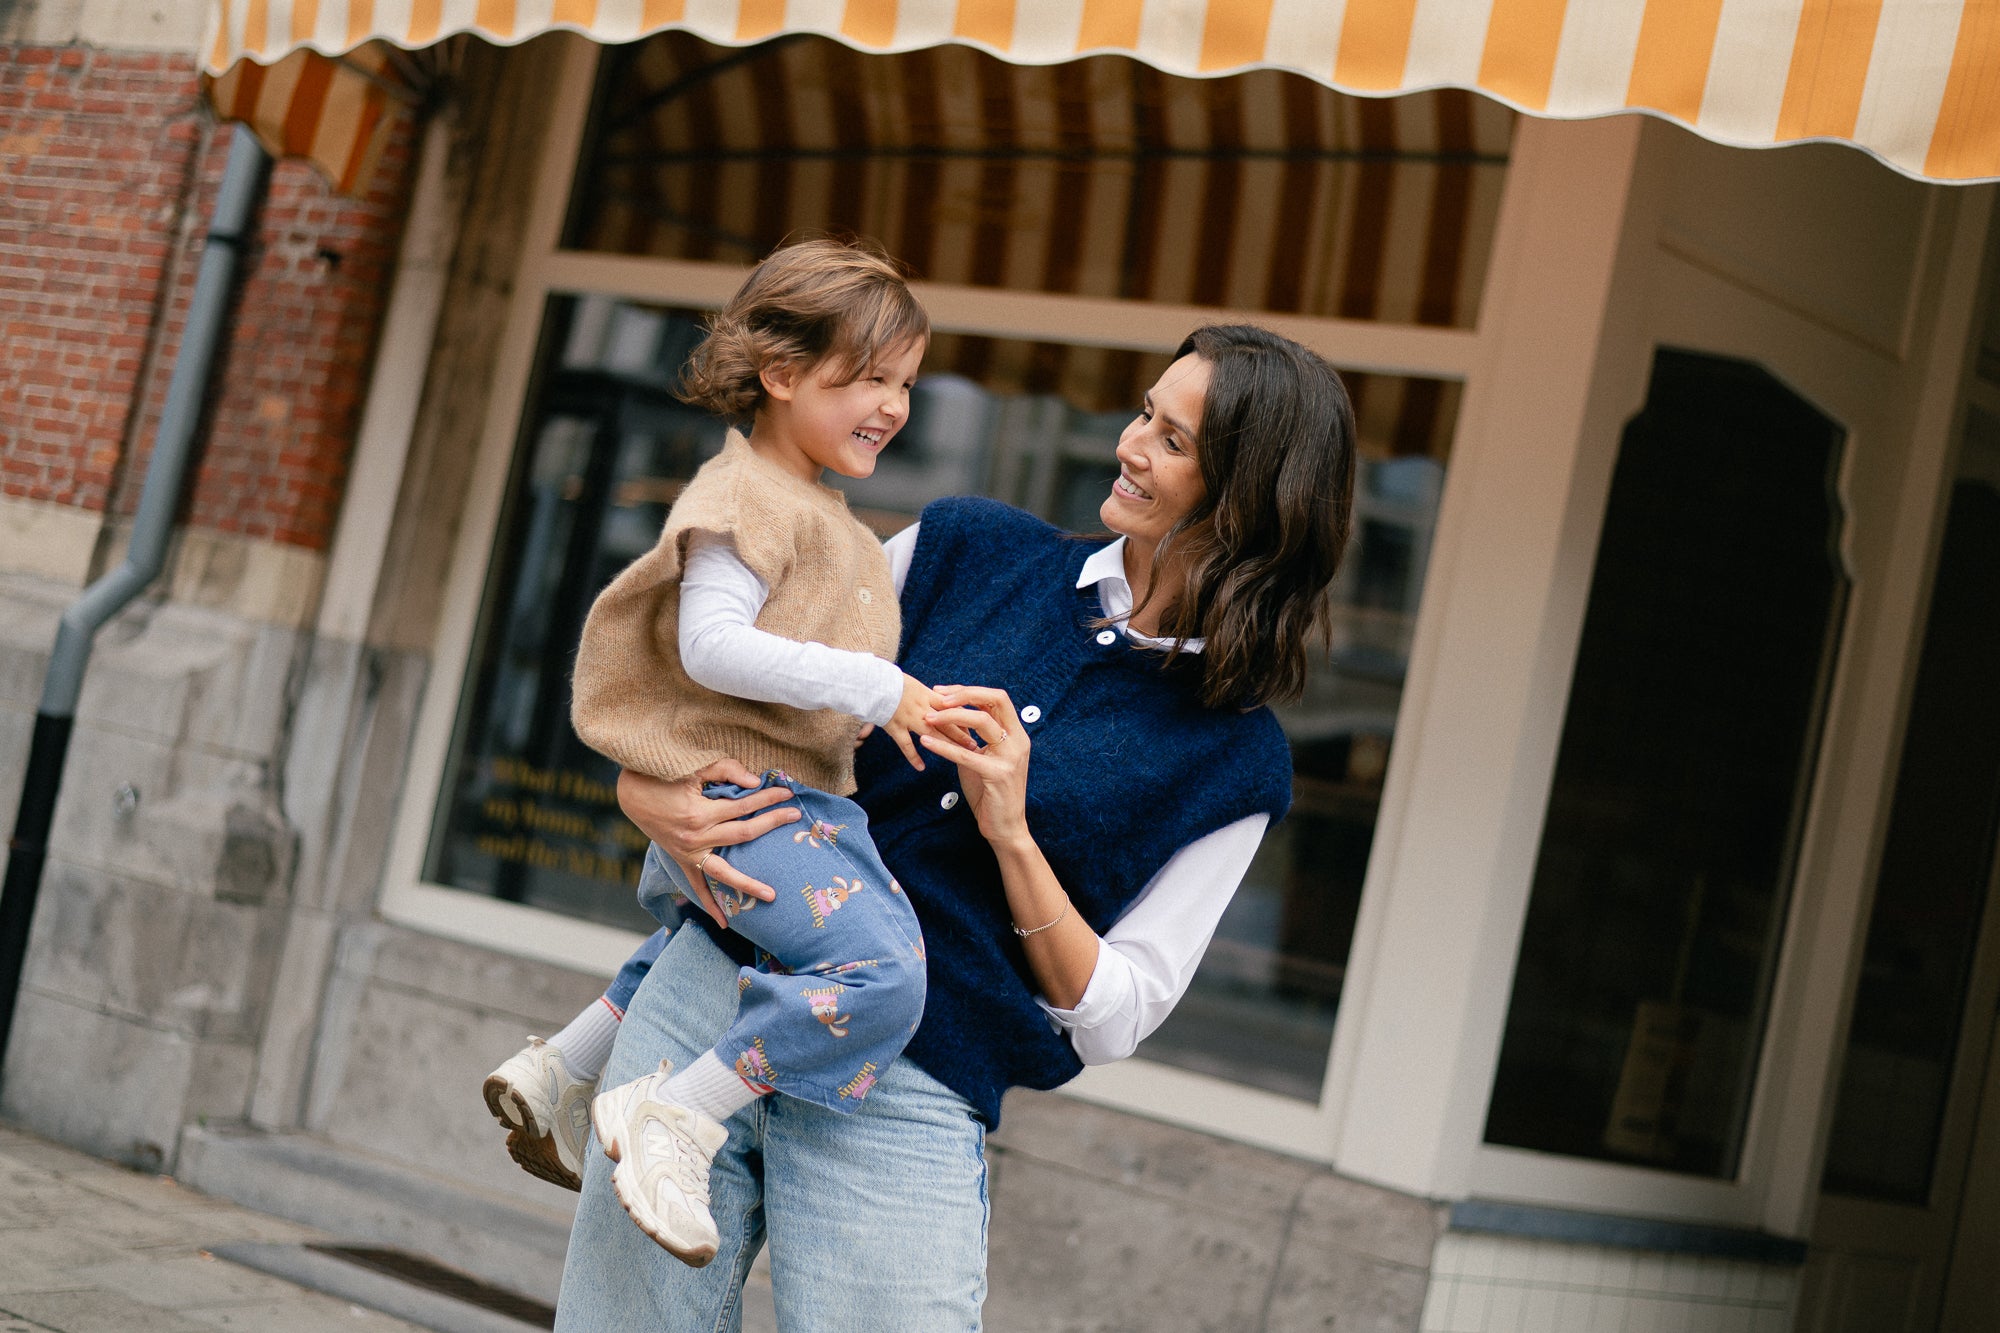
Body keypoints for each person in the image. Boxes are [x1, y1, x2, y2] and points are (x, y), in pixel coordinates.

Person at [553, 323, 1358, 1330]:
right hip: (707, 995)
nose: (1128, 442)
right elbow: (743, 690)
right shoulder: (963, 548)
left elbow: (1113, 1011)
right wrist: (644, 791)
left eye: (1173, 438)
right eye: (1143, 412)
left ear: (1250, 494)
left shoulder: (1235, 758)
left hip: (914, 1085)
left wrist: (1012, 837)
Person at [483, 237, 943, 1267]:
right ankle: (679, 1116)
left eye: (904, 384)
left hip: (758, 796)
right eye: (867, 378)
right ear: (780, 373)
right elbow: (712, 646)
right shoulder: (742, 500)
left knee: (696, 941)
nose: (892, 405)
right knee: (883, 969)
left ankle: (565, 1068)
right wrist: (879, 689)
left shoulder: (806, 504)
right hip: (758, 801)